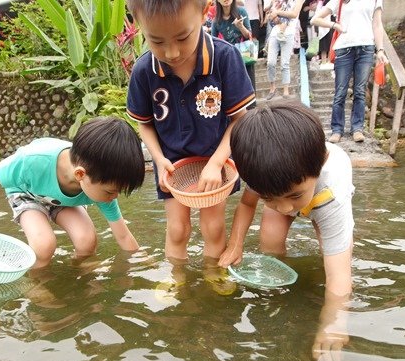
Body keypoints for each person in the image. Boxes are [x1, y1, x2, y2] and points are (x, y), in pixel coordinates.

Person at [219, 101, 354, 361]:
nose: (283, 207)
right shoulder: (265, 170)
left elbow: (340, 276)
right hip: (295, 185)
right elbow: (248, 203)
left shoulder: (331, 192)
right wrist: (235, 245)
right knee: (269, 240)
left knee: (335, 256)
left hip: (321, 196)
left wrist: (334, 322)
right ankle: (280, 283)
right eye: (269, 197)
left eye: (292, 196)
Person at [126, 0, 256, 262]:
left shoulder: (224, 58)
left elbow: (240, 119)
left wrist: (217, 162)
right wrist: (159, 160)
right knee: (177, 230)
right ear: (138, 24)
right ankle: (178, 283)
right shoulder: (143, 71)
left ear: (204, 11)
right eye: (157, 41)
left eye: (183, 37)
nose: (172, 52)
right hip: (172, 164)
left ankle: (213, 278)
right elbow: (145, 123)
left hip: (215, 158)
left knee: (213, 227)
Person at [0, 117, 145, 268]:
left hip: (63, 198)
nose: (114, 197)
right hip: (28, 192)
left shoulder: (101, 180)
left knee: (86, 240)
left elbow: (123, 236)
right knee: (44, 245)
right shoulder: (33, 161)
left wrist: (144, 264)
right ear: (80, 174)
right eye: (111, 192)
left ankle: (79, 274)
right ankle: (38, 283)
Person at [311, 0, 388, 143]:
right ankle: (337, 129)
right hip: (344, 48)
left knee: (360, 90)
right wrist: (335, 25)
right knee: (340, 91)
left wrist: (381, 50)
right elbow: (315, 19)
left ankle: (357, 128)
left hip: (366, 48)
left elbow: (377, 24)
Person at [212, 0, 256, 94]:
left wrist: (240, 26)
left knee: (250, 87)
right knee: (235, 90)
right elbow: (214, 44)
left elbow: (249, 35)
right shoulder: (216, 21)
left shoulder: (241, 12)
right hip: (229, 58)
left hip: (245, 55)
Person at [264, 0, 303, 100]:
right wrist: (273, 15)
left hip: (289, 33)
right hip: (274, 32)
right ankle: (272, 87)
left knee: (284, 63)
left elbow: (294, 14)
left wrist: (277, 12)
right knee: (270, 62)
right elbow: (271, 13)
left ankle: (286, 90)